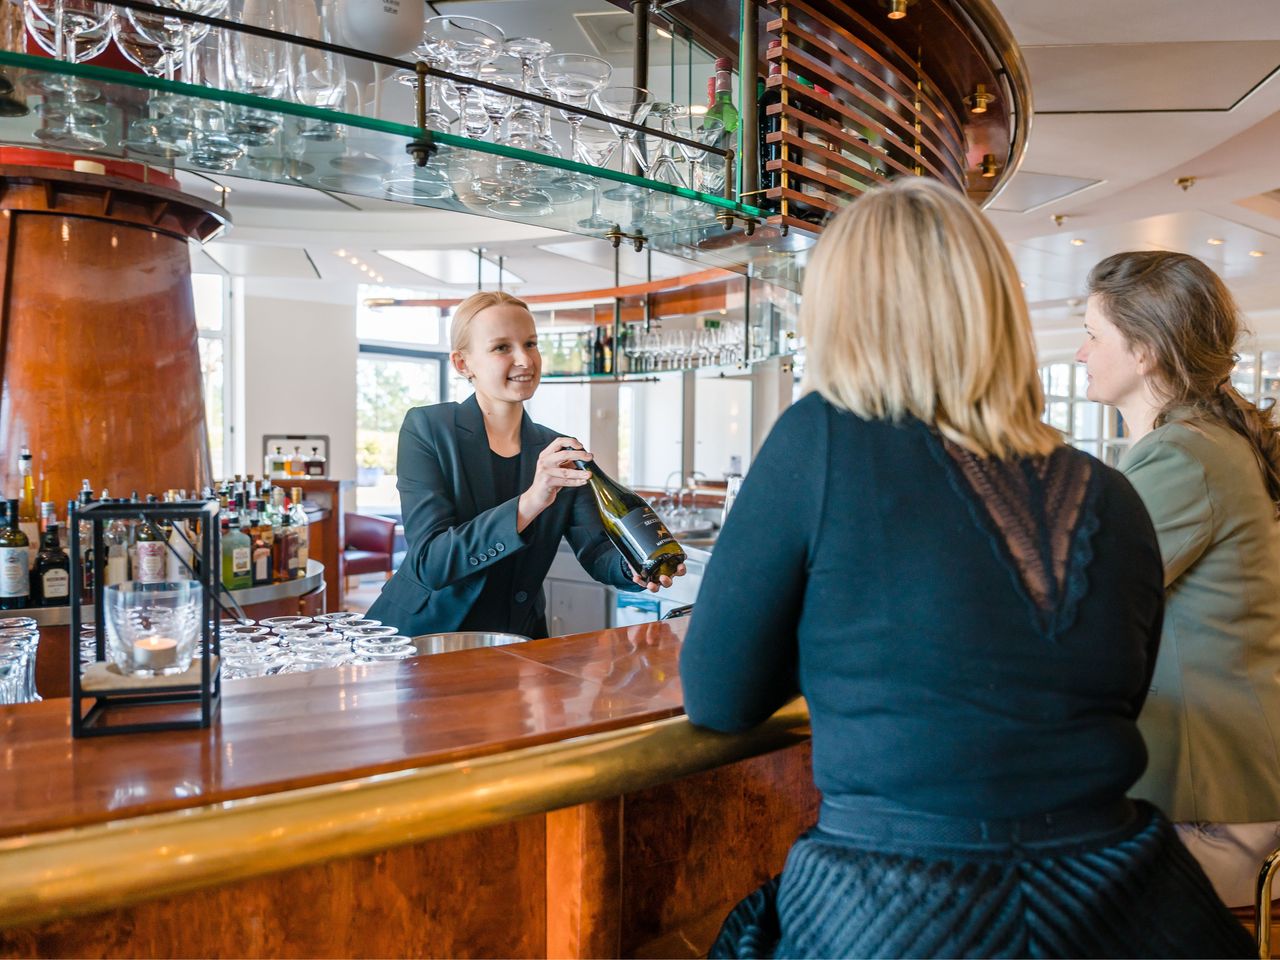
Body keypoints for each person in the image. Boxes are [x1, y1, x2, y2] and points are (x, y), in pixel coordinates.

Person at [679, 179, 1253, 958]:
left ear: (843, 313)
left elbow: (719, 697)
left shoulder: (820, 439)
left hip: (898, 906)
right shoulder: (1111, 495)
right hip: (1119, 901)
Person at [1076, 250, 1280, 908]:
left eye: (1092, 334)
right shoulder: (1202, 441)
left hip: (1209, 799)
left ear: (1145, 353)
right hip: (1219, 785)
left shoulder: (1183, 454)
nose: (1081, 353)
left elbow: (1072, 600)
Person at [366, 290, 683, 638]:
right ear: (462, 363)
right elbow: (430, 563)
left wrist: (633, 566)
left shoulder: (559, 449)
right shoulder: (427, 429)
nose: (525, 360)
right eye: (502, 347)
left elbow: (595, 551)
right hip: (427, 637)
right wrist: (532, 500)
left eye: (530, 344)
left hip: (516, 639)